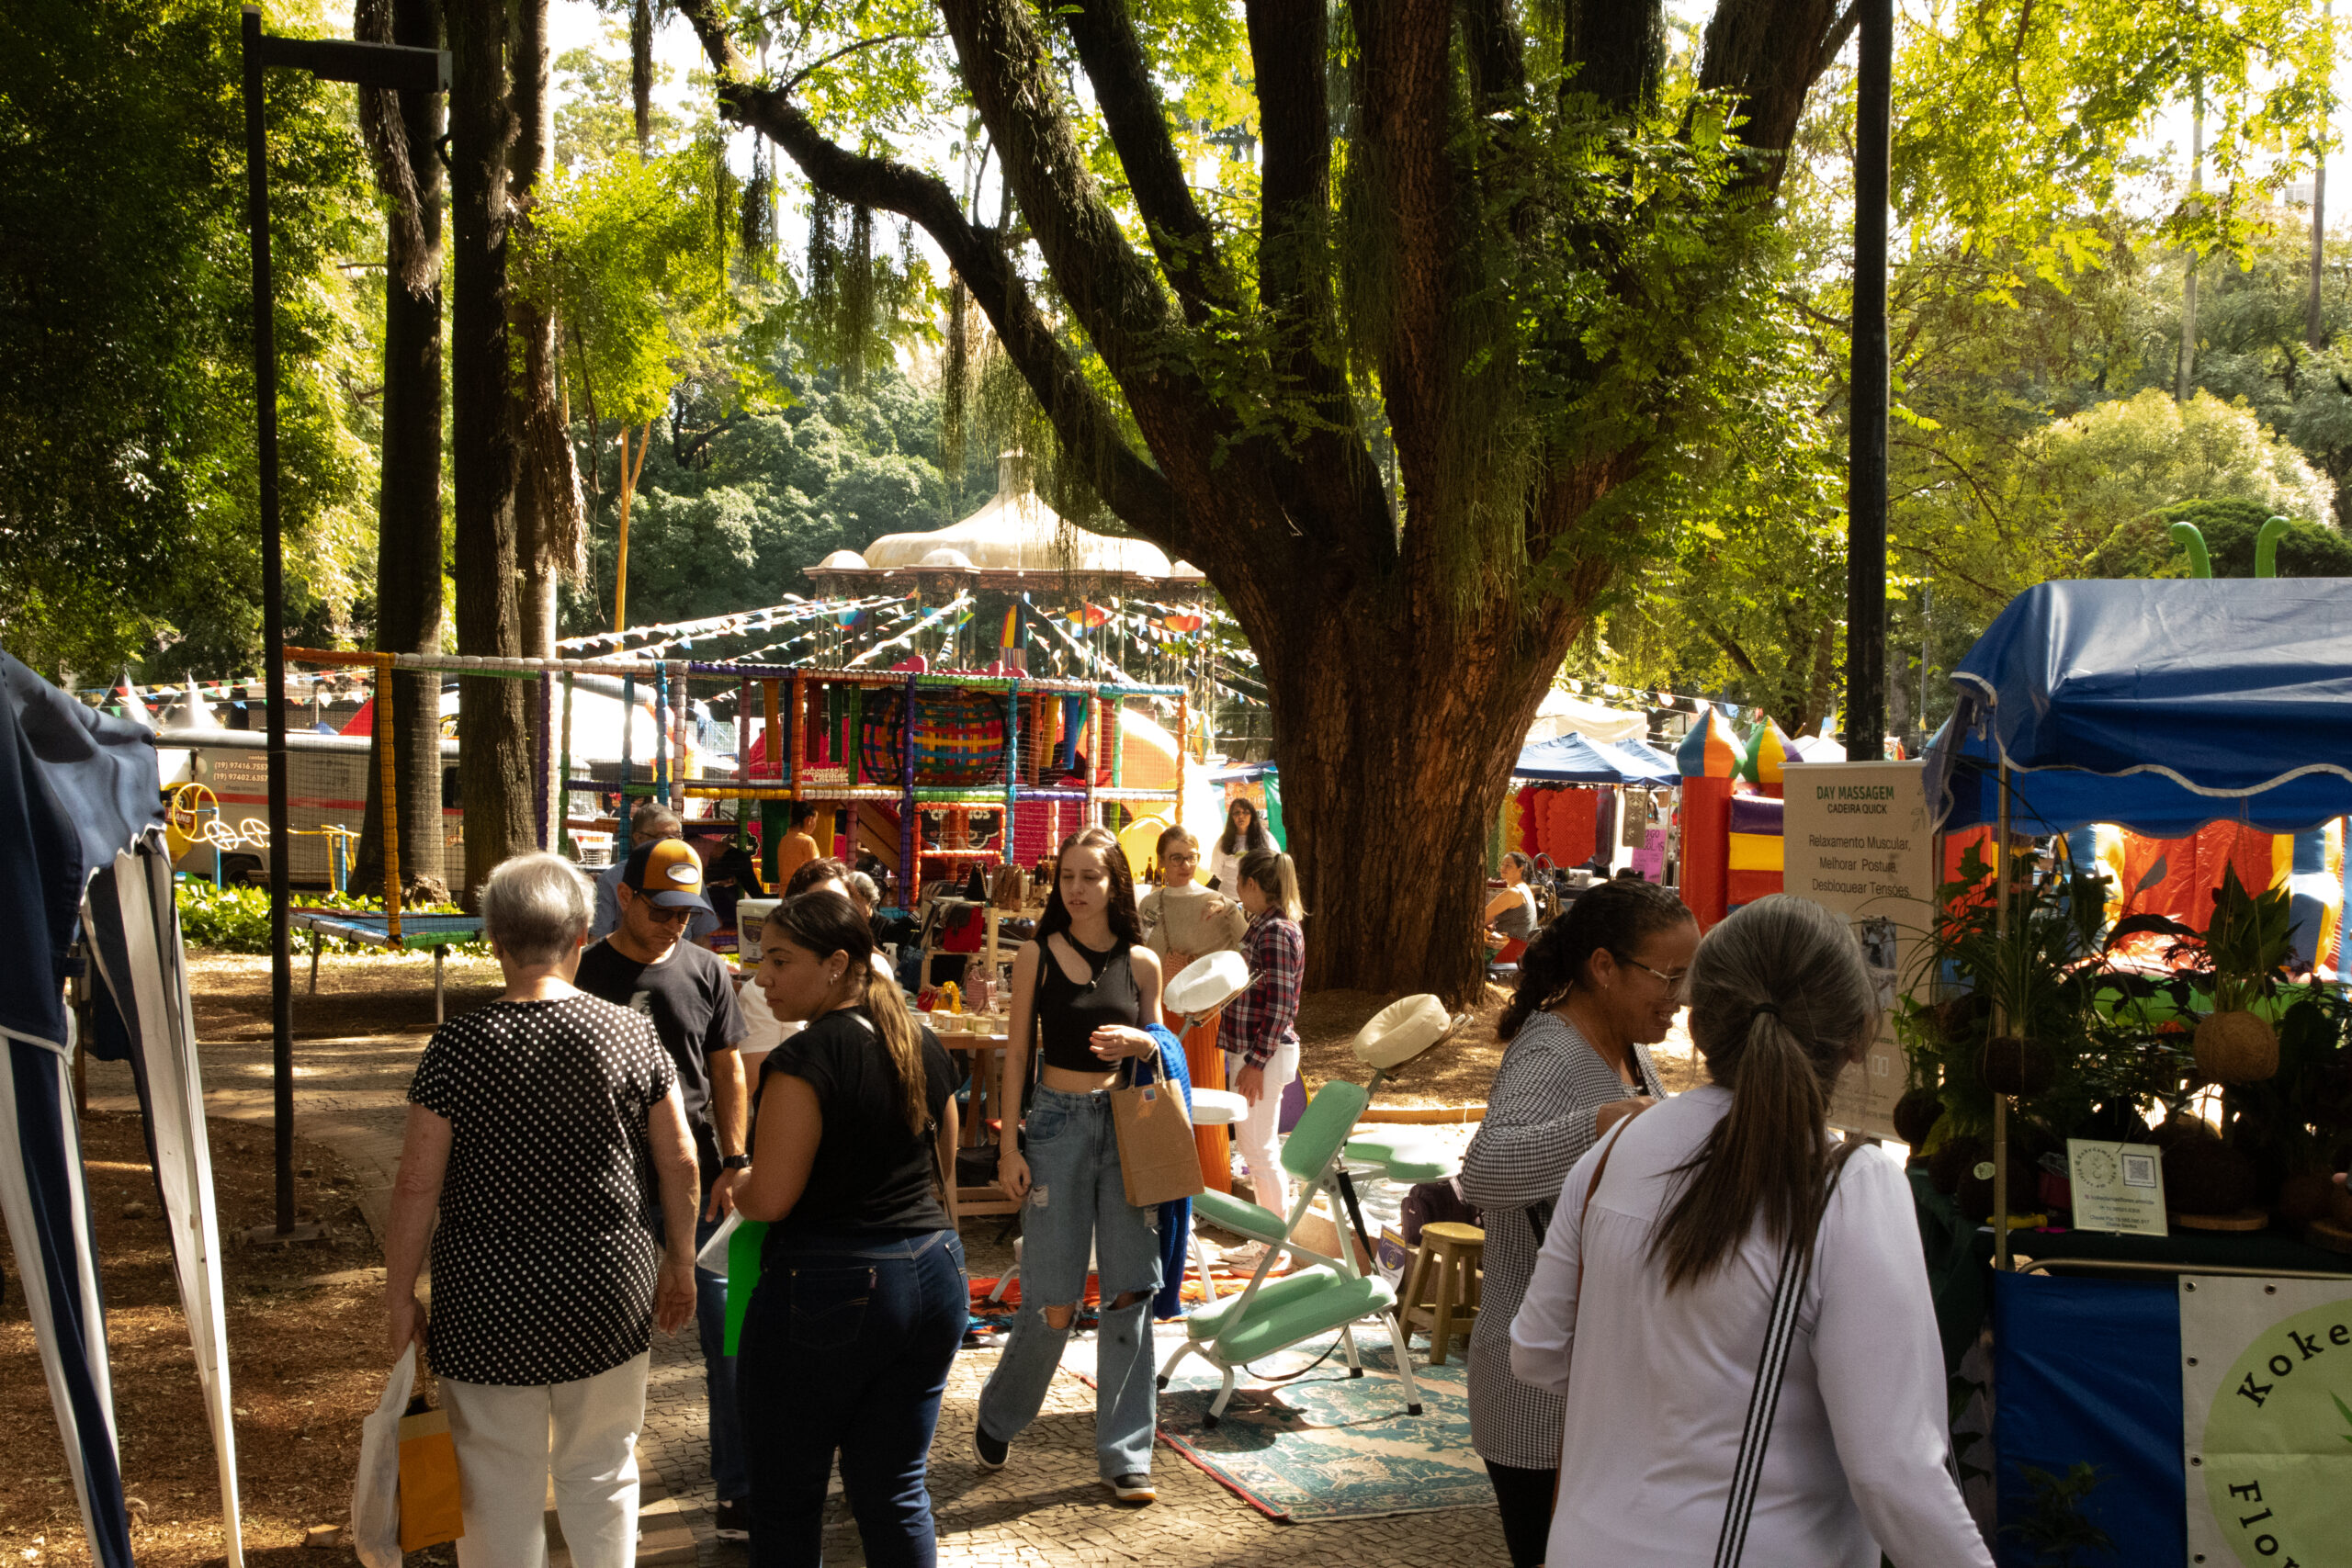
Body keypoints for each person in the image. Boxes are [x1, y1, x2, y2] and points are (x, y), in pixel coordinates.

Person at [1510, 896, 1994, 1568]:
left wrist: (1664, 1394)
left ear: (1701, 1023)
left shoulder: (1613, 1151)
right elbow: (1894, 1470)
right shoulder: (1848, 1186)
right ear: (1858, 1035)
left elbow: (1535, 1351)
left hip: (1587, 1547)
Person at [384, 852, 698, 1568]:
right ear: (582, 934)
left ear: (494, 940)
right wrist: (679, 1259)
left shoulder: (456, 1046)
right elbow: (679, 1158)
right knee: (602, 1465)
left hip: (486, 1299)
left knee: (495, 1479)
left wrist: (399, 1295)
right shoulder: (631, 1034)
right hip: (606, 1291)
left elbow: (415, 1185)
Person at [1457, 878, 1697, 1568]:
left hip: (1596, 1387)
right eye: (1669, 976)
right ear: (1603, 967)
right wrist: (1598, 1124)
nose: (1680, 997)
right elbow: (1484, 1171)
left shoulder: (1625, 1045)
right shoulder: (1552, 1052)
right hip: (1539, 1396)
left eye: (1688, 976)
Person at [736, 891, 966, 1566]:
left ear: (837, 964)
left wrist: (735, 1183)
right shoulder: (920, 1039)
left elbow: (770, 1198)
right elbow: (945, 1160)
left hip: (832, 1287)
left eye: (780, 960)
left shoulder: (805, 1059)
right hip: (934, 1270)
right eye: (762, 960)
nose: (762, 977)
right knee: (895, 1488)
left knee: (786, 1498)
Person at [975, 826, 1167, 1504]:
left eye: (1091, 876)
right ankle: (1000, 1413)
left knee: (1129, 1292)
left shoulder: (1142, 962)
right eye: (1067, 877)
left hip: (1127, 1128)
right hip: (1057, 1125)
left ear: (1116, 884)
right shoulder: (1037, 953)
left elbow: (1163, 1045)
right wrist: (1010, 1147)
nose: (1077, 889)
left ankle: (1126, 1454)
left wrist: (1143, 1039)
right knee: (1053, 1301)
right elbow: (1016, 1055)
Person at [574, 839, 754, 1540]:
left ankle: (739, 1487)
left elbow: (728, 1069)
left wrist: (736, 1159)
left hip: (704, 1182)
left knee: (733, 1333)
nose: (675, 925)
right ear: (625, 896)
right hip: (609, 1183)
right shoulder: (583, 970)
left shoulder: (707, 969)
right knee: (604, 1339)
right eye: (661, 910)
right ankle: (590, 1484)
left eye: (686, 913)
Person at [1137, 824, 1249, 1192]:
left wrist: (1230, 913)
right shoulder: (1150, 905)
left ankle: (1212, 1187)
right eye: (1176, 858)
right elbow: (1141, 952)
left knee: (1204, 1091)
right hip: (1159, 1010)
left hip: (1204, 1015)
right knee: (1163, 1094)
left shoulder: (1219, 903)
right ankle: (1168, 1186)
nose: (1185, 865)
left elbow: (1246, 951)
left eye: (1191, 857)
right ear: (1162, 861)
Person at [1222, 849, 1306, 1217]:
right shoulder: (1263, 925)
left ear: (1251, 883)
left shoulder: (1274, 932)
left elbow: (1281, 1005)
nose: (1237, 891)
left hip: (1263, 1056)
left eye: (1239, 884)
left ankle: (1273, 1236)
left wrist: (1256, 1062)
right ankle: (1269, 1234)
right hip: (1258, 1053)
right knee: (1255, 1148)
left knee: (1259, 1150)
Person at [592, 802, 718, 946]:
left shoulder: (688, 875)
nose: (672, 844)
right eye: (664, 837)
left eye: (677, 837)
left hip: (681, 956)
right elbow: (597, 941)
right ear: (639, 838)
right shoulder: (611, 880)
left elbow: (702, 937)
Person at [1205, 795, 1271, 893]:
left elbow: (1270, 867)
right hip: (1228, 896)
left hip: (1255, 896)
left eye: (1245, 812)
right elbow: (1216, 870)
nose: (1241, 816)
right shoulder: (1223, 841)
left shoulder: (1265, 838)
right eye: (1237, 813)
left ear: (1252, 815)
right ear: (1231, 817)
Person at [1484, 852, 1542, 948]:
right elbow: (1489, 918)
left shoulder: (1513, 893)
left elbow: (1480, 918)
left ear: (1520, 869)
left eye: (1508, 865)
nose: (1503, 868)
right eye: (1502, 864)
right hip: (1521, 947)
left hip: (1512, 949)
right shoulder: (1525, 889)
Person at [775, 803, 823, 890]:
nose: (815, 826)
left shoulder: (784, 840)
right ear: (809, 820)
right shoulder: (808, 841)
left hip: (784, 892)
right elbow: (817, 870)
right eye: (815, 821)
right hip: (801, 892)